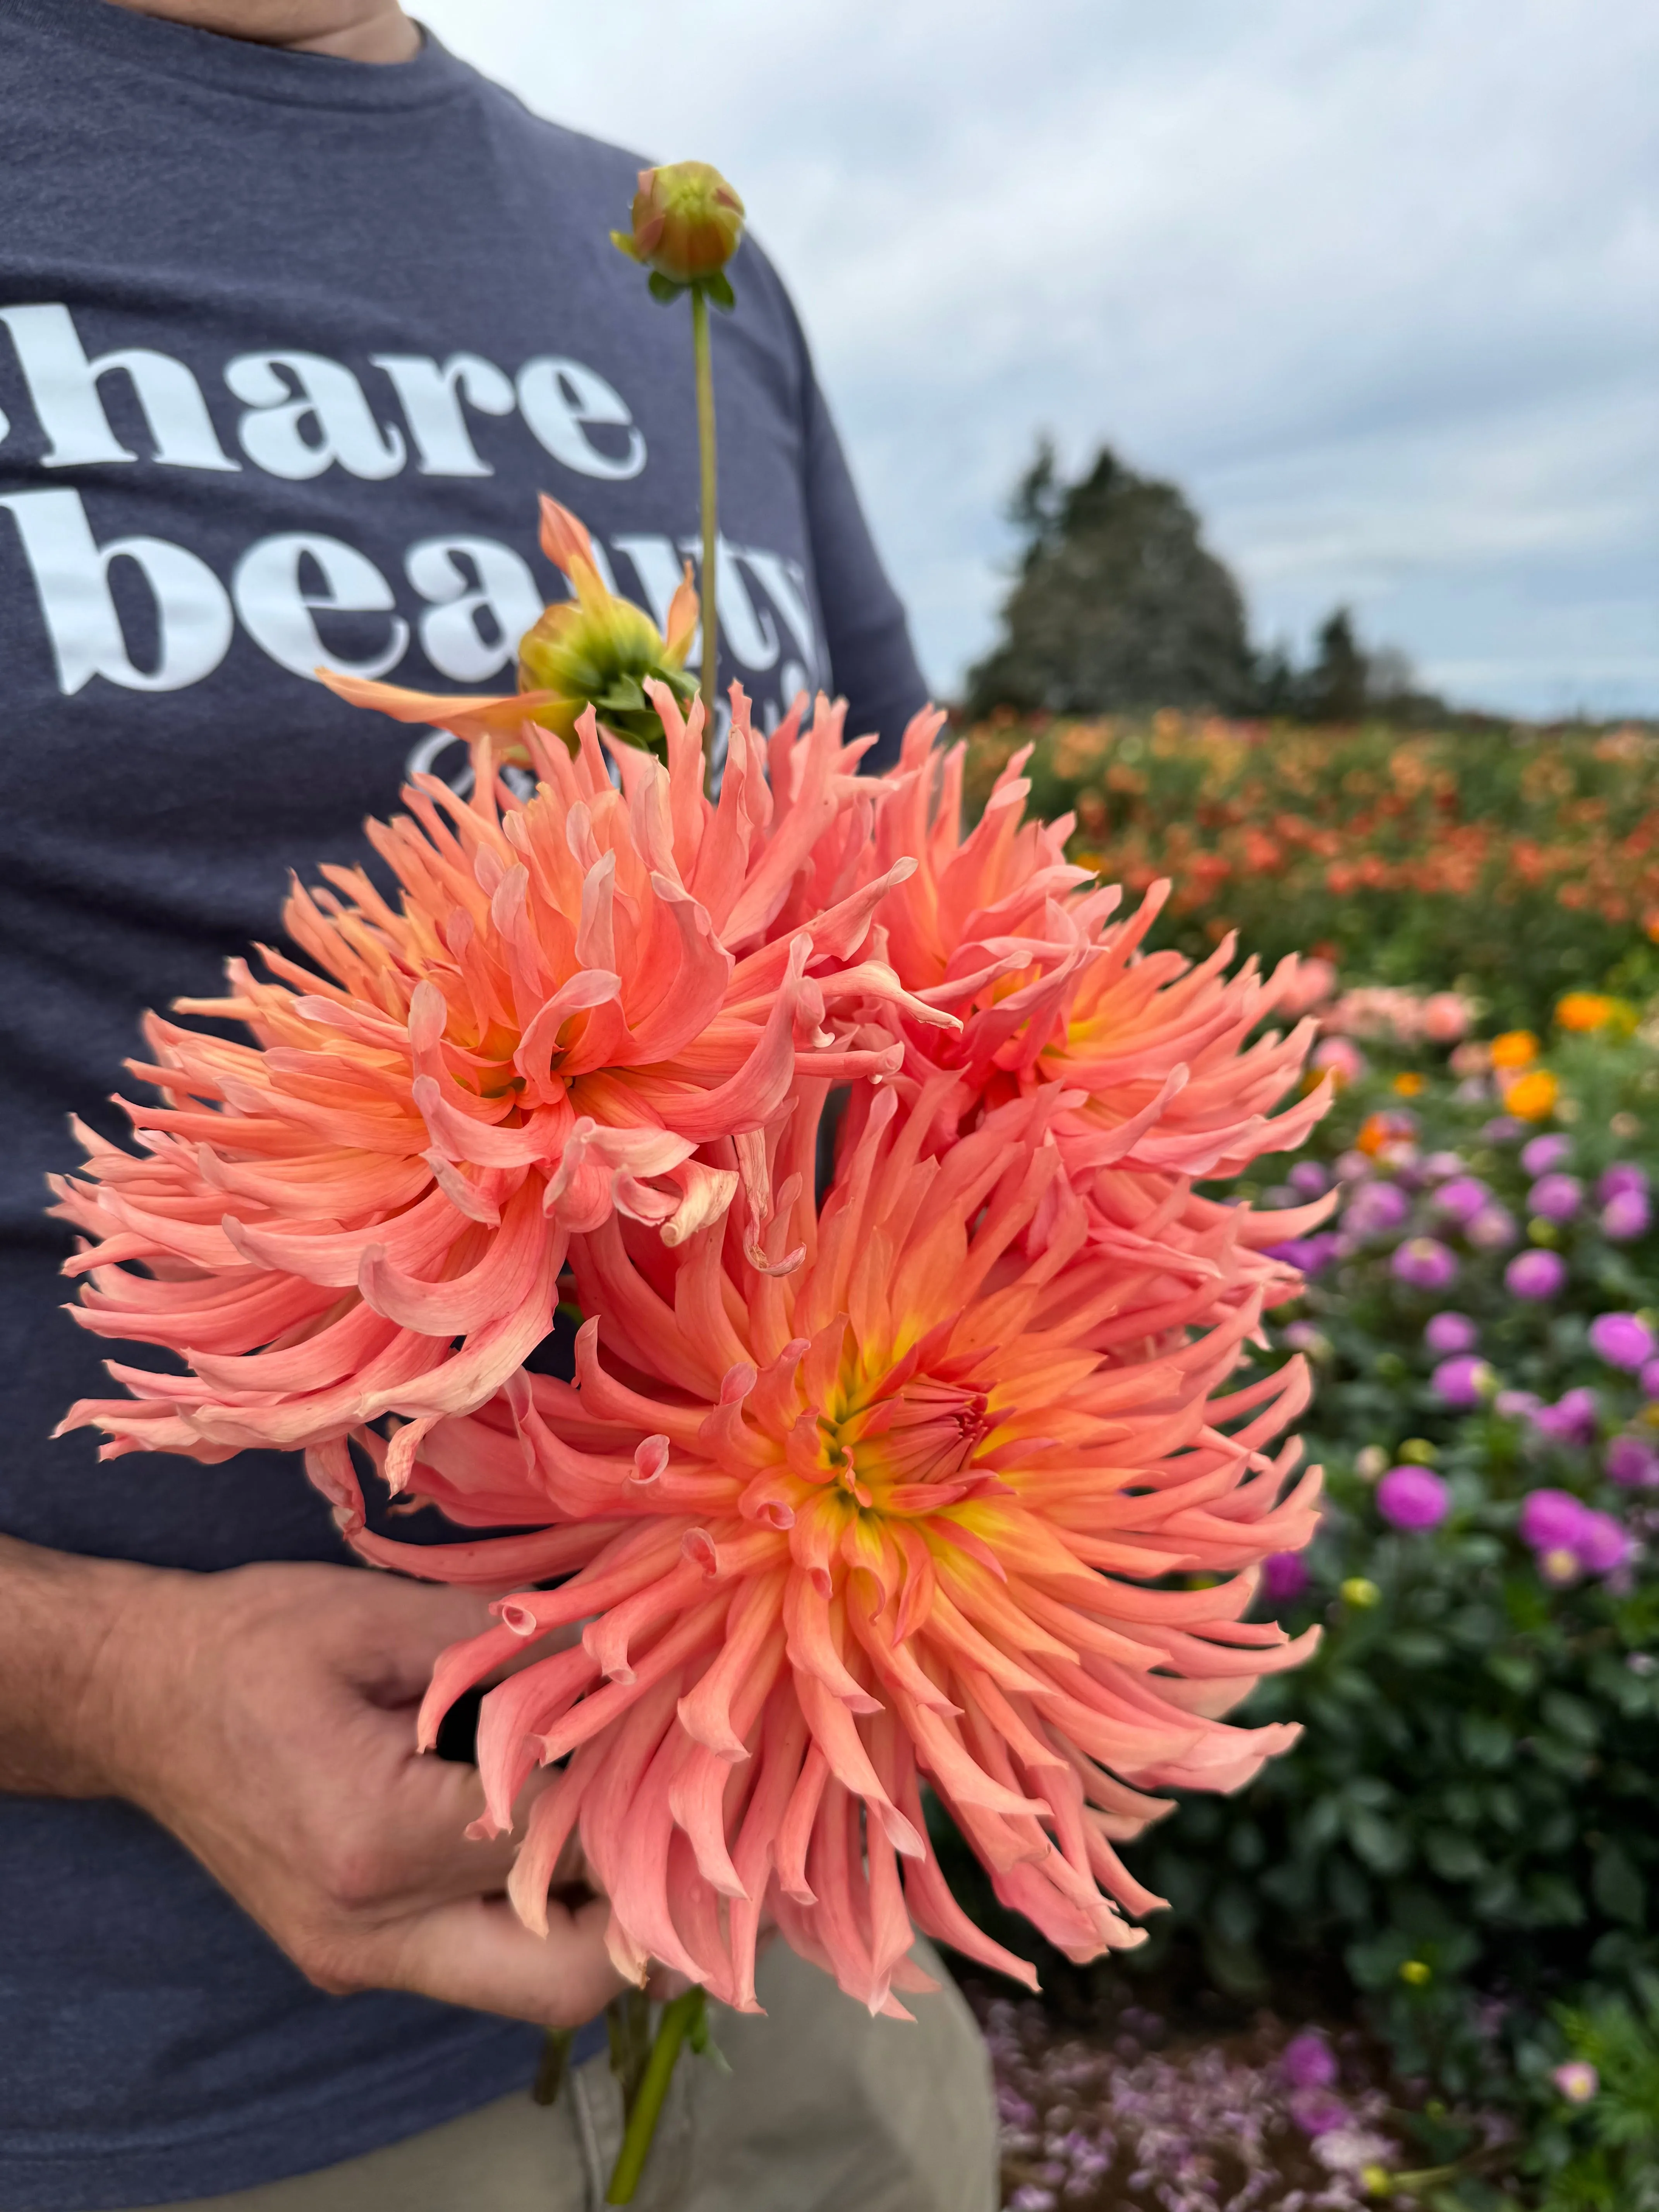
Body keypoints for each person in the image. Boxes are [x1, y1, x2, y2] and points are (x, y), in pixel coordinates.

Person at [0, 3, 998, 2207]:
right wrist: (101, 1679)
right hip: (155, 2096)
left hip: (797, 1960)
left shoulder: (665, 252)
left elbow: (933, 925)